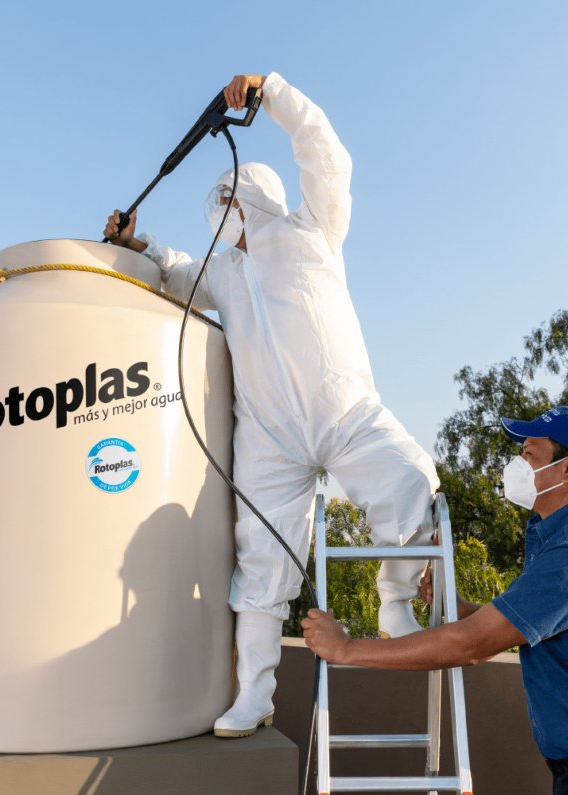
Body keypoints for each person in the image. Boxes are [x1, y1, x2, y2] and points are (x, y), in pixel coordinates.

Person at [103, 72, 439, 738]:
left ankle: (395, 603)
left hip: (345, 411)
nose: (223, 211)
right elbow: (175, 273)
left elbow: (326, 153)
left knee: (407, 476)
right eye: (218, 205)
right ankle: (254, 692)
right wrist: (133, 245)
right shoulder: (221, 271)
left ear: (252, 192)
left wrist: (272, 92)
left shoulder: (313, 229)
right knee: (259, 557)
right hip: (270, 438)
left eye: (230, 198)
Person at [302, 406, 568, 794]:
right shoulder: (564, 532)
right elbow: (528, 622)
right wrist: (462, 608)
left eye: (530, 455)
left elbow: (473, 645)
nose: (517, 464)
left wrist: (346, 649)